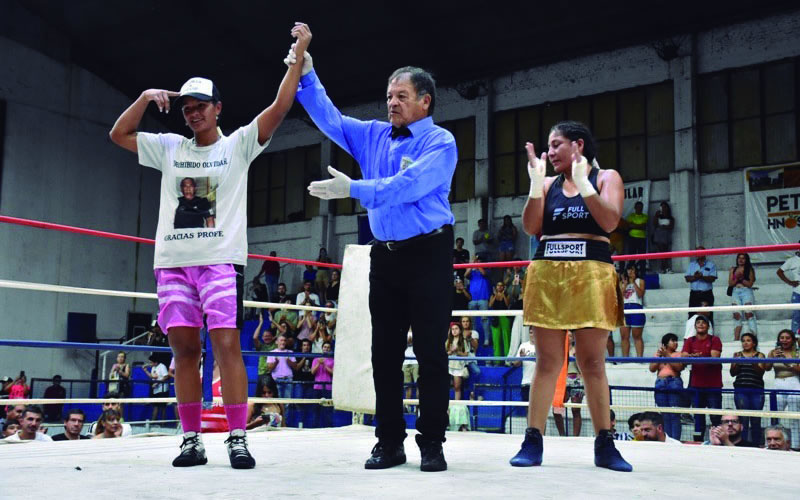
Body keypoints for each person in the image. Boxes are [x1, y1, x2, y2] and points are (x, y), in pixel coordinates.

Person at [108, 23, 312, 469]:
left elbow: (281, 105)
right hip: (173, 264)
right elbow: (118, 135)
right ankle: (190, 439)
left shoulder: (239, 145)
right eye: (186, 108)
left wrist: (299, 53)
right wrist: (144, 98)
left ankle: (237, 435)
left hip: (220, 262)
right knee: (184, 350)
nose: (193, 113)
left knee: (226, 346)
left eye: (201, 106)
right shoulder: (168, 147)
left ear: (218, 108)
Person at [296, 47, 456, 471]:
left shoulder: (441, 142)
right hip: (384, 256)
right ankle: (389, 441)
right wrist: (307, 73)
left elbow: (409, 185)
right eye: (389, 95)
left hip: (429, 253)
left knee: (430, 353)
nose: (392, 102)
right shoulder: (371, 134)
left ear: (425, 101)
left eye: (401, 95)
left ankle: (433, 442)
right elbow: (329, 118)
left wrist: (355, 190)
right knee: (382, 352)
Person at [509, 121, 631, 471]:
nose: (549, 153)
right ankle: (533, 439)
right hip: (548, 273)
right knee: (547, 363)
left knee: (592, 362)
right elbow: (532, 228)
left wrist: (585, 186)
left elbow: (609, 222)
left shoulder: (607, 177)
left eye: (556, 145)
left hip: (592, 272)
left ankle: (605, 444)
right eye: (548, 146)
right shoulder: (548, 183)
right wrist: (535, 186)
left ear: (578, 144)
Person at [681, 315, 723, 441]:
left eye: (703, 323)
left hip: (713, 385)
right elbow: (683, 357)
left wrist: (694, 356)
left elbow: (714, 357)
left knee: (715, 416)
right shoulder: (690, 340)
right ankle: (698, 441)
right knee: (698, 416)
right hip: (696, 385)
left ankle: (718, 441)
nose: (700, 324)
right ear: (695, 326)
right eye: (698, 322)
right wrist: (699, 356)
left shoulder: (714, 339)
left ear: (708, 326)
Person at [764, 329, 800, 448]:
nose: (784, 340)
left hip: (793, 382)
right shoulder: (773, 352)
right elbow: (767, 368)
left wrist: (787, 361)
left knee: (795, 416)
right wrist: (772, 358)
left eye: (787, 338)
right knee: (774, 415)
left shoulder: (797, 352)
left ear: (793, 340)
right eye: (782, 337)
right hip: (778, 382)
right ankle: (770, 443)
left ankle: (796, 445)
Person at [730, 332, 766, 445]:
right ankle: (743, 443)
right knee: (743, 419)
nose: (745, 343)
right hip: (741, 389)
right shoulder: (737, 354)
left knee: (756, 419)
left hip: (756, 390)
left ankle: (756, 443)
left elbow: (761, 372)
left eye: (748, 340)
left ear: (754, 343)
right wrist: (737, 363)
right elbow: (732, 373)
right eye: (743, 341)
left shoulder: (760, 355)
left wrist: (753, 362)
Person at [648, 333, 684, 440]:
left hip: (674, 382)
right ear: (666, 343)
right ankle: (667, 439)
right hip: (660, 383)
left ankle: (675, 440)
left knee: (674, 414)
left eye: (676, 341)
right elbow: (652, 368)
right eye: (673, 341)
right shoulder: (658, 353)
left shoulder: (679, 354)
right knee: (664, 414)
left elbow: (678, 367)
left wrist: (667, 355)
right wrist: (659, 356)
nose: (676, 343)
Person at [729, 253, 757, 340]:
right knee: (737, 315)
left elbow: (750, 284)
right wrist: (737, 278)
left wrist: (741, 278)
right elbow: (730, 284)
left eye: (743, 258)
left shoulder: (749, 269)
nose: (741, 260)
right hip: (735, 292)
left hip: (746, 291)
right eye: (739, 258)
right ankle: (736, 339)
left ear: (746, 260)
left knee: (749, 314)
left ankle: (754, 338)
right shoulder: (733, 269)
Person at [685, 247, 717, 323]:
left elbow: (712, 278)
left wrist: (702, 277)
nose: (698, 253)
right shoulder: (691, 265)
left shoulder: (711, 265)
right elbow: (687, 278)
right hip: (694, 294)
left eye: (700, 251)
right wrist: (696, 277)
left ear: (705, 253)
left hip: (707, 294)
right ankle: (692, 334)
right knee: (692, 315)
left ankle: (710, 334)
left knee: (708, 316)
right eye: (697, 252)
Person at [619, 264, 646, 357]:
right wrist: (625, 285)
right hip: (624, 308)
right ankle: (625, 360)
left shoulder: (640, 281)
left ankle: (640, 359)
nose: (630, 272)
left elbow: (640, 294)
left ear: (636, 271)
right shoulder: (622, 282)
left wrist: (633, 282)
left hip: (636, 307)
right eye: (628, 270)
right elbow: (619, 298)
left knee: (637, 336)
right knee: (624, 336)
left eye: (632, 270)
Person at [465, 255, 492, 347]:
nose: (477, 262)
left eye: (479, 261)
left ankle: (486, 339)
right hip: (472, 299)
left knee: (485, 319)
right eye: (476, 260)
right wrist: (472, 263)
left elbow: (484, 273)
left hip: (483, 299)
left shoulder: (486, 269)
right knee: (471, 321)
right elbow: (465, 275)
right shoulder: (472, 272)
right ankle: (472, 339)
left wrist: (478, 265)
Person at [776, 244, 800, 335]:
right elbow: (779, 272)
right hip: (798, 292)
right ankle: (795, 338)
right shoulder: (792, 260)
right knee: (797, 315)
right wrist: (790, 282)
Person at [445, 322, 470, 401]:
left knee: (457, 387)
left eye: (456, 329)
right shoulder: (448, 341)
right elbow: (444, 353)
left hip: (458, 367)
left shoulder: (464, 341)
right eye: (452, 329)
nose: (454, 331)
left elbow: (466, 354)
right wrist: (450, 352)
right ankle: (446, 407)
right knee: (446, 387)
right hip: (448, 366)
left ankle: (457, 406)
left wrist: (458, 351)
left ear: (460, 330)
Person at [512, 327, 536, 406]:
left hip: (539, 384)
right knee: (528, 409)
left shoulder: (543, 346)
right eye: (531, 332)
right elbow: (516, 364)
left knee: (538, 409)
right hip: (526, 382)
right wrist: (521, 358)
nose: (533, 335)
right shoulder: (523, 346)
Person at [143, 354, 170, 421]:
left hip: (163, 390)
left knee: (163, 407)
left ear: (155, 362)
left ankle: (162, 423)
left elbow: (166, 376)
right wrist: (145, 371)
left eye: (151, 362)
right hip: (156, 390)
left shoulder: (162, 366)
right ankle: (153, 422)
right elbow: (152, 376)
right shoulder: (153, 368)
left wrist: (157, 383)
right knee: (155, 406)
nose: (150, 364)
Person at [488, 281, 511, 360]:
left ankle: (507, 360)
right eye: (498, 285)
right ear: (496, 287)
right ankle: (497, 361)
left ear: (504, 287)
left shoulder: (507, 295)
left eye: (501, 286)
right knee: (496, 339)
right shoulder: (492, 295)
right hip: (495, 317)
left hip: (505, 317)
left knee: (506, 338)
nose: (500, 287)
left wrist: (503, 295)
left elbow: (507, 304)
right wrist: (495, 295)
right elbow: (490, 305)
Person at [625, 201, 648, 276]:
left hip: (642, 238)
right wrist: (639, 226)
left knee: (642, 257)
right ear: (635, 208)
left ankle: (642, 274)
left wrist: (634, 225)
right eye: (638, 207)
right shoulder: (631, 216)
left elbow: (643, 227)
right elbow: (628, 226)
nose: (639, 209)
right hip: (632, 238)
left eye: (641, 207)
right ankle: (631, 273)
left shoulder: (645, 216)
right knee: (632, 257)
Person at [651, 201, 674, 273]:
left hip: (666, 236)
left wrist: (664, 227)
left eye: (664, 207)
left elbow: (671, 226)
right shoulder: (658, 216)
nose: (663, 208)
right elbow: (654, 224)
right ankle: (666, 267)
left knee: (665, 252)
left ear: (667, 208)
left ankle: (663, 268)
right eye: (662, 207)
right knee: (661, 251)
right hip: (658, 235)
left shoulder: (670, 217)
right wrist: (656, 216)